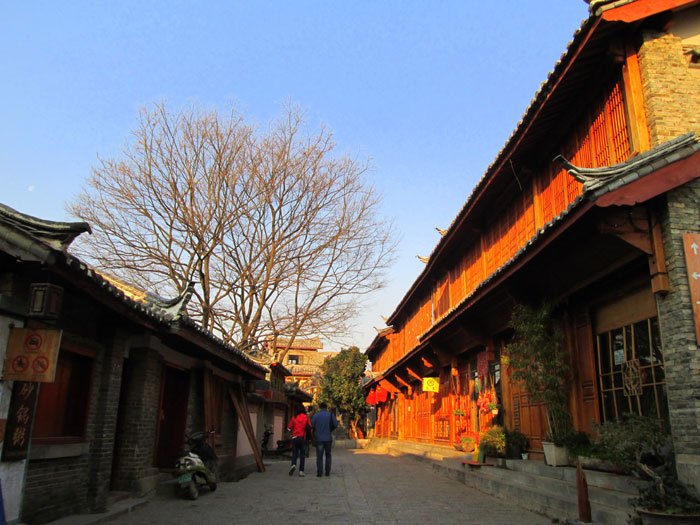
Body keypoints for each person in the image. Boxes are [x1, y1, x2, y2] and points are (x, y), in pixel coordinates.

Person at [311, 402, 338, 477]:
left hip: (319, 438)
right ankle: (327, 471)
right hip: (328, 438)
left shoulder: (316, 416)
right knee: (328, 455)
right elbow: (335, 424)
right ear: (326, 408)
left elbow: (312, 425)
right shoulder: (330, 415)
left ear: (319, 407)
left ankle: (319, 472)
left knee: (319, 456)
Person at [287, 405, 310, 477]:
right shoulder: (306, 417)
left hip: (295, 437)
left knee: (295, 453)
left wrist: (291, 430)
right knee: (302, 455)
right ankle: (301, 471)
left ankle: (293, 464)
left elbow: (289, 428)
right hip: (302, 437)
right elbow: (309, 427)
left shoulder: (294, 417)